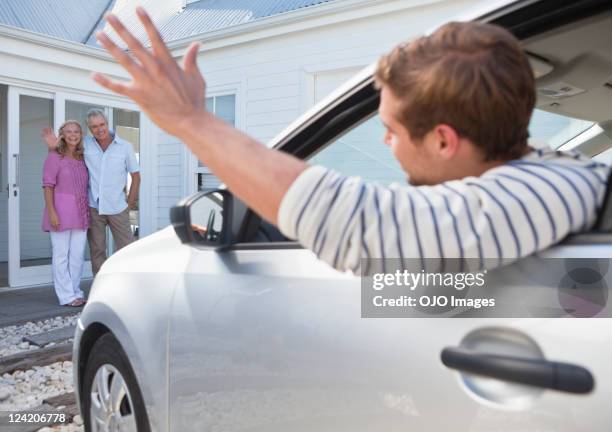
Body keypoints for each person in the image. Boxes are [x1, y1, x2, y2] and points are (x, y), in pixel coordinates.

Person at [92, 9, 610, 272]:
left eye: (390, 129)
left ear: (445, 141)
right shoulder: (547, 172)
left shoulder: (546, 191)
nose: (384, 142)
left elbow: (362, 226)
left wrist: (191, 121)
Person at [43, 109, 140, 276]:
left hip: (118, 207)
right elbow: (65, 155)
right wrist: (53, 148)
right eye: (94, 126)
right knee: (97, 251)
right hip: (93, 207)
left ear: (107, 124)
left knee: (127, 249)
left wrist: (129, 204)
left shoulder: (125, 147)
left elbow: (136, 177)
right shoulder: (85, 144)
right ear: (89, 128)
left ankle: (127, 285)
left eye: (102, 124)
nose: (99, 129)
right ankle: (101, 289)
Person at [42, 121, 89, 307]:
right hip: (60, 211)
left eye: (76, 131)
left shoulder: (82, 157)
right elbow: (47, 186)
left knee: (77, 255)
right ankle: (66, 296)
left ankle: (76, 291)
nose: (72, 135)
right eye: (68, 132)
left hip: (81, 212)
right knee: (61, 255)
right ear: (62, 134)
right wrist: (52, 212)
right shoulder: (54, 157)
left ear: (81, 134)